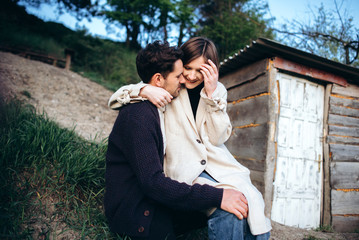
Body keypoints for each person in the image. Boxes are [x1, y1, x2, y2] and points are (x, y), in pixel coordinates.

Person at [109, 37, 272, 239]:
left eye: (200, 70)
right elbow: (120, 96)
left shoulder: (216, 90)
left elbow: (218, 137)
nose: (192, 76)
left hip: (216, 164)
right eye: (187, 68)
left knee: (251, 201)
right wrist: (143, 89)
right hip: (184, 165)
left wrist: (212, 97)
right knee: (230, 209)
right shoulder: (170, 88)